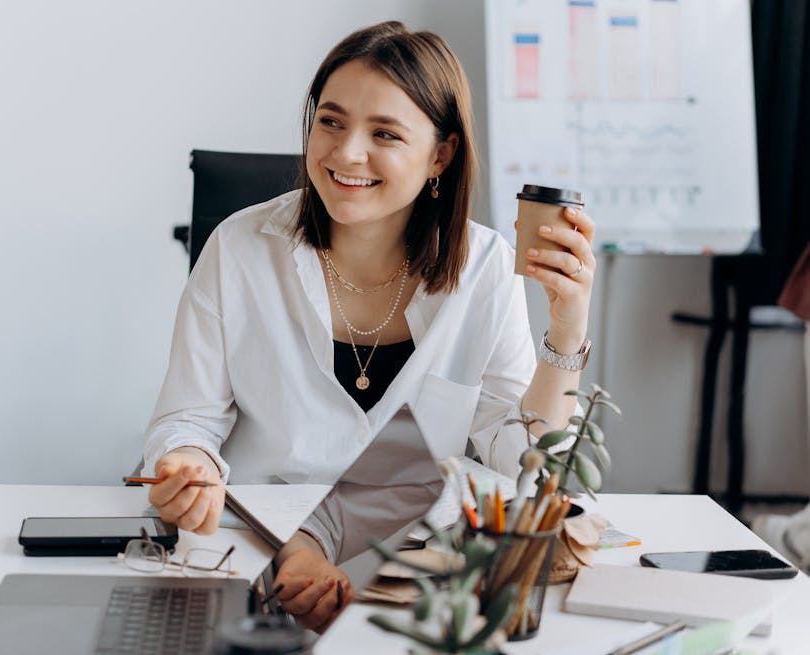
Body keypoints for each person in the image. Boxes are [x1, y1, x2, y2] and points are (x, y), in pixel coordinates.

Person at [142, 21, 596, 630]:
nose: (346, 152)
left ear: (441, 154)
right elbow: (186, 418)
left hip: (416, 575)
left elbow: (522, 458)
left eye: (384, 133)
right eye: (330, 121)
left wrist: (566, 331)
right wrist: (187, 464)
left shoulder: (483, 268)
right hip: (254, 557)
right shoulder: (239, 248)